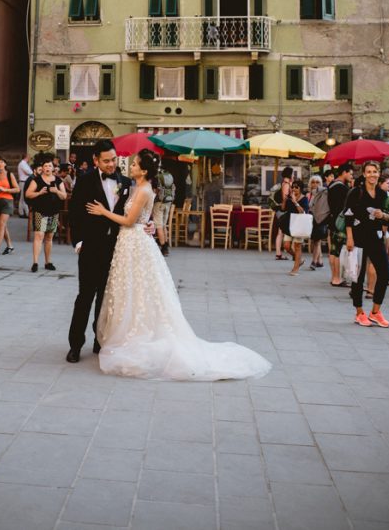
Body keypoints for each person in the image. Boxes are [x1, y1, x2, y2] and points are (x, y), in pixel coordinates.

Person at [87, 149, 271, 381]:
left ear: (144, 170)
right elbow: (145, 218)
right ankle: (128, 332)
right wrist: (151, 224)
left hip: (134, 242)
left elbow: (129, 220)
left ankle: (137, 335)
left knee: (138, 289)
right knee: (131, 289)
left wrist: (103, 212)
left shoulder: (143, 190)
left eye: (134, 164)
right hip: (130, 242)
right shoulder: (135, 186)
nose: (130, 167)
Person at [66, 139, 132, 362]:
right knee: (85, 297)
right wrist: (78, 242)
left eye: (113, 159)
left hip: (115, 250)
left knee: (106, 298)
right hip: (90, 248)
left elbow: (130, 216)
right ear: (96, 160)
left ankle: (99, 340)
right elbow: (74, 214)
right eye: (106, 161)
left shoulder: (126, 182)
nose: (111, 164)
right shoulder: (84, 182)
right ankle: (75, 344)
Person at [344, 160, 389, 327]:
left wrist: (383, 216)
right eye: (369, 172)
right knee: (359, 276)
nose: (372, 174)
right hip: (358, 237)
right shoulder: (356, 192)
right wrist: (349, 238)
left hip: (376, 237)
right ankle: (359, 312)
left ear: (379, 174)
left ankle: (375, 312)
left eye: (375, 171)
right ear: (364, 174)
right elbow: (348, 216)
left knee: (384, 274)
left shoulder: (383, 194)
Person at [25, 153, 66, 272]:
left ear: (53, 168)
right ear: (42, 168)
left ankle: (48, 262)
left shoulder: (58, 180)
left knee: (49, 237)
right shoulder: (36, 180)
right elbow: (28, 194)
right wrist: (39, 193)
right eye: (46, 166)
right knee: (39, 235)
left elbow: (64, 196)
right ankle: (35, 262)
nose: (48, 168)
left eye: (50, 166)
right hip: (41, 211)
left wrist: (57, 191)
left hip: (54, 212)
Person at [328, 163, 354, 287]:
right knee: (337, 251)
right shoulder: (342, 188)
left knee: (333, 250)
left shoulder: (331, 185)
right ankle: (337, 278)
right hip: (341, 222)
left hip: (332, 221)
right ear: (344, 172)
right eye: (350, 173)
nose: (351, 176)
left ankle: (334, 277)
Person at [0, 156, 19, 257]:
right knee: (1, 226)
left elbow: (17, 189)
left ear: (5, 164)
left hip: (7, 201)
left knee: (2, 225)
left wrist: (5, 190)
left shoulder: (10, 174)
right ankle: (10, 246)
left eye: (1, 162)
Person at [283, 179, 309, 276]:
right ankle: (300, 260)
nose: (294, 189)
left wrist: (295, 202)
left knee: (298, 246)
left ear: (301, 189)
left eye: (296, 187)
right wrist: (285, 200)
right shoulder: (290, 197)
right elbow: (283, 209)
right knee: (286, 246)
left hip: (299, 224)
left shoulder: (304, 199)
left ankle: (295, 269)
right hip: (289, 224)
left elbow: (303, 212)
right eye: (293, 187)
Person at [152, 163, 175, 256]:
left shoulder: (157, 177)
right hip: (168, 202)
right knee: (164, 225)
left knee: (159, 225)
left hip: (159, 203)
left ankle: (164, 247)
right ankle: (166, 244)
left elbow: (155, 190)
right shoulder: (169, 176)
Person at [308, 173, 329, 270]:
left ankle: (314, 261)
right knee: (315, 241)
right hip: (310, 219)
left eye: (317, 182)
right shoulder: (308, 195)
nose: (315, 184)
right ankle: (320, 260)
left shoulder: (323, 194)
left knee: (317, 241)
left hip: (320, 219)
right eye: (313, 182)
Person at [272, 167, 294, 260]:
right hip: (283, 210)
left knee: (281, 231)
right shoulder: (286, 184)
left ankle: (279, 253)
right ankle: (279, 253)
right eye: (293, 173)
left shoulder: (287, 183)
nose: (294, 175)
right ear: (290, 174)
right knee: (281, 232)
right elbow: (285, 197)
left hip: (282, 210)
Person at [17, 152, 32, 219]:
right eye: (29, 156)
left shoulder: (24, 163)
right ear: (26, 156)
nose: (30, 157)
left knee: (23, 198)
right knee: (22, 198)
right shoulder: (22, 163)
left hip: (25, 182)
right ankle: (22, 213)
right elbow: (29, 172)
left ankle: (24, 212)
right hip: (23, 182)